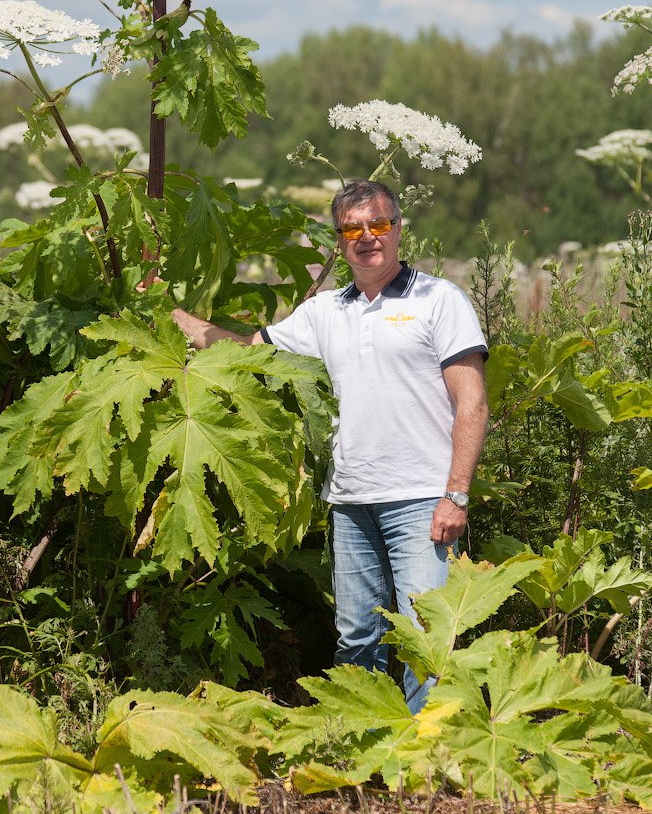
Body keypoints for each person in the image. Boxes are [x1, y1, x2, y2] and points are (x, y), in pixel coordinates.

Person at [171, 178, 489, 712]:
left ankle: (430, 770)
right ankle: (362, 754)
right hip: (350, 501)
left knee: (427, 643)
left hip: (423, 501)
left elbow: (472, 404)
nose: (368, 236)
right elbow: (249, 351)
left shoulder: (440, 300)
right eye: (353, 229)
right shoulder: (323, 313)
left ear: (398, 229)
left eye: (379, 224)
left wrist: (455, 494)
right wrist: (173, 314)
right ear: (340, 241)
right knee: (356, 640)